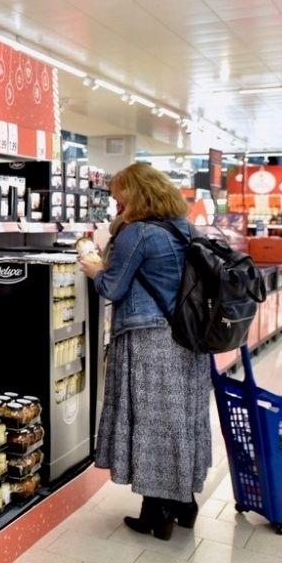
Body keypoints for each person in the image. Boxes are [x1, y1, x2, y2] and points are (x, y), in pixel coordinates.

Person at [78, 163, 209, 541]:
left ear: (137, 193)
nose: (114, 198)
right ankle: (183, 503)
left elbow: (113, 288)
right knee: (179, 422)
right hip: (187, 338)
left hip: (148, 338)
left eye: (120, 192)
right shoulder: (182, 227)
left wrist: (93, 268)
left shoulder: (138, 232)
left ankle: (159, 512)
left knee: (151, 424)